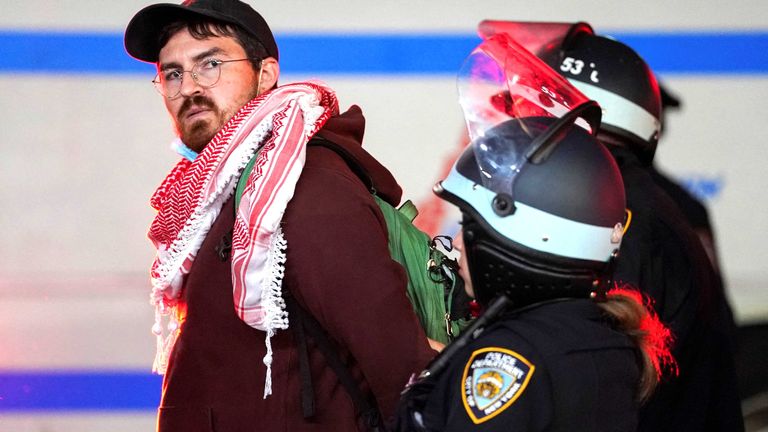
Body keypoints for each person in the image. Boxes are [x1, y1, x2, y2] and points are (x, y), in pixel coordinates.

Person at [123, 1, 434, 430]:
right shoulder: (221, 193)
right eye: (172, 74)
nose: (189, 87)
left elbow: (396, 362)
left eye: (209, 63)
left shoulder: (302, 183)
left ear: (265, 74)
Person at [396, 32, 674, 431]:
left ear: (523, 242)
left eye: (471, 228)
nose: (456, 245)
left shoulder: (508, 361)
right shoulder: (601, 336)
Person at [510, 22, 744, 431]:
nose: (523, 130)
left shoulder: (620, 213)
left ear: (582, 119)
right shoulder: (634, 200)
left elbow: (596, 368)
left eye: (540, 114)